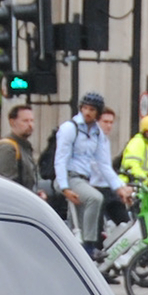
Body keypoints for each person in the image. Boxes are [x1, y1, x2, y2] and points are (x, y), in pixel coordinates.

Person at [52, 90, 120, 253]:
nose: (87, 112)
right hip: (69, 178)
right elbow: (60, 159)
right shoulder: (70, 128)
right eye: (85, 108)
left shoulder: (97, 134)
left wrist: (120, 187)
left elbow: (104, 164)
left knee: (78, 224)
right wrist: (64, 187)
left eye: (92, 110)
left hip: (83, 180)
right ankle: (89, 247)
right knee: (95, 198)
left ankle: (76, 252)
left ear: (97, 112)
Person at [0, 104, 41, 197]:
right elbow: (7, 185)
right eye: (25, 121)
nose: (30, 125)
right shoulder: (7, 148)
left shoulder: (24, 146)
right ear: (12, 122)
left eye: (32, 121)